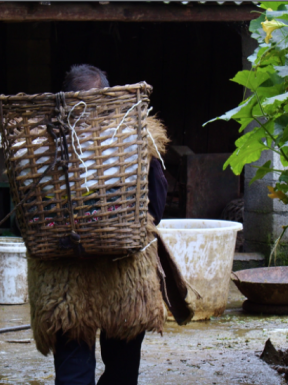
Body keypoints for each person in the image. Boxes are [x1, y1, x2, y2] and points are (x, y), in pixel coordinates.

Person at [27, 64, 191, 385]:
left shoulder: (39, 146)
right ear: (109, 98)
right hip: (124, 277)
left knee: (74, 368)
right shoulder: (137, 139)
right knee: (122, 369)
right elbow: (155, 207)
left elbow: (29, 210)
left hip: (65, 282)